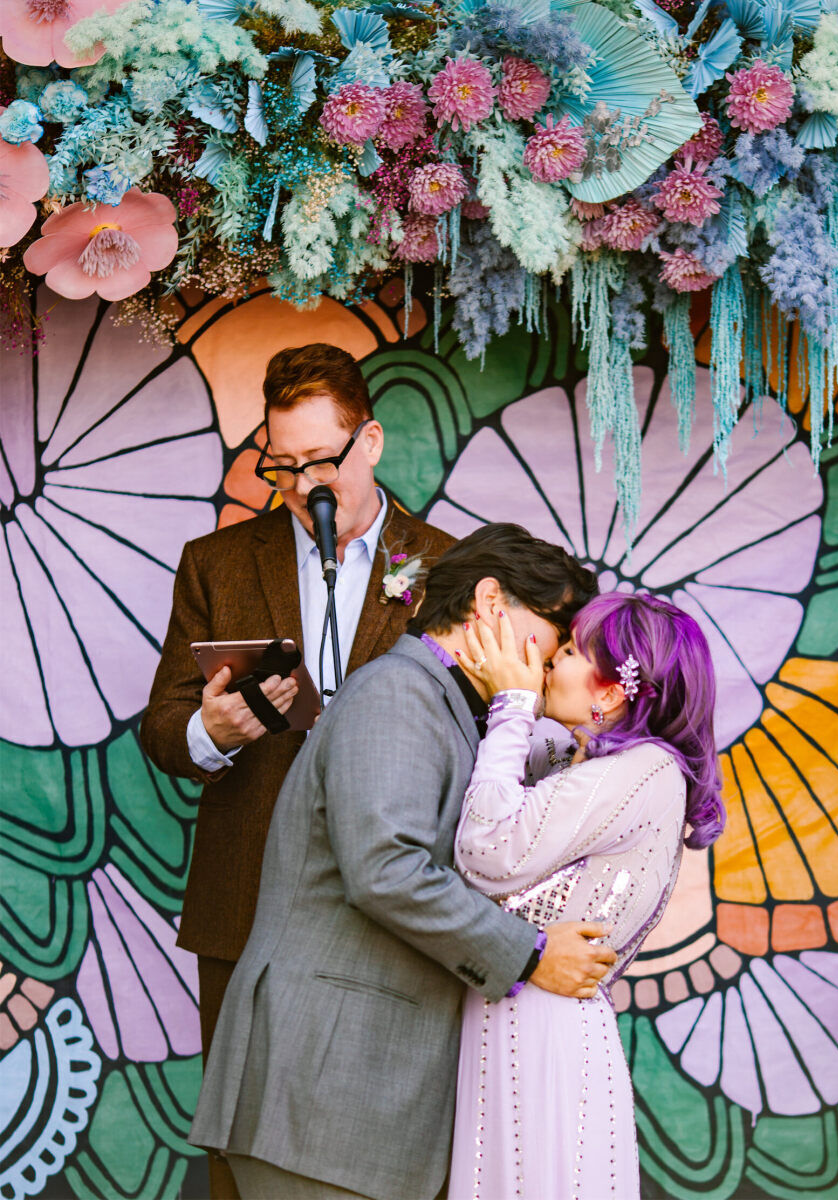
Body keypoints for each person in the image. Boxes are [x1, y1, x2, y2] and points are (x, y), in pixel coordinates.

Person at [188, 523, 618, 1200]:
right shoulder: (397, 693)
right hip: (323, 1096)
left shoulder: (447, 706)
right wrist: (532, 954)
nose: (557, 657)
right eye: (557, 633)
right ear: (489, 604)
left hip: (351, 1102)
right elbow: (386, 869)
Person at [140, 343, 455, 1198]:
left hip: (395, 902)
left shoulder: (450, 567)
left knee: (387, 1149)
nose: (306, 485)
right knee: (243, 1149)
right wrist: (210, 730)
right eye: (283, 466)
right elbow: (161, 729)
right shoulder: (217, 563)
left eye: (323, 460)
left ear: (373, 442)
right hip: (247, 902)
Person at [448, 591, 726, 1199]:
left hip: (542, 1031)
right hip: (524, 1020)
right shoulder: (603, 765)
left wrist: (514, 704)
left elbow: (484, 849)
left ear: (611, 691)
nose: (549, 660)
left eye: (571, 651)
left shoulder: (644, 770)